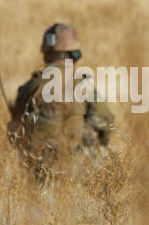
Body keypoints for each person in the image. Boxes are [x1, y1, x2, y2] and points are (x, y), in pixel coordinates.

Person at [7, 23, 114, 181]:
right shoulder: (82, 84)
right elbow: (106, 122)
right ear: (74, 55)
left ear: (45, 54)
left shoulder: (30, 87)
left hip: (38, 173)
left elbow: (16, 131)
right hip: (78, 174)